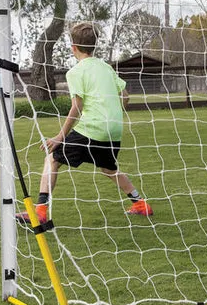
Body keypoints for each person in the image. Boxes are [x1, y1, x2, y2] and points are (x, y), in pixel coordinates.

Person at [18, 22, 152, 225]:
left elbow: (77, 106)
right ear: (94, 46)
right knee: (108, 169)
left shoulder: (76, 72)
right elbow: (125, 96)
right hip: (113, 130)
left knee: (52, 159)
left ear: (73, 47)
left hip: (92, 128)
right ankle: (140, 203)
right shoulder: (106, 67)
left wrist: (60, 136)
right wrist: (113, 112)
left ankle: (40, 212)